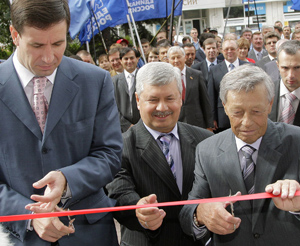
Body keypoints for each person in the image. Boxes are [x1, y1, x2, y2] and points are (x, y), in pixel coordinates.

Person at [2, 0, 123, 245]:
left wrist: (68, 180)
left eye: (58, 43)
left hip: (89, 233)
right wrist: (28, 216)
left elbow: (109, 154)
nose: (49, 57)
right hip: (18, 236)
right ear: (15, 35)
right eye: (36, 45)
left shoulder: (95, 81)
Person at [180, 64, 300, 245]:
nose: (247, 122)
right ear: (225, 107)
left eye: (256, 111)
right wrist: (201, 214)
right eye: (237, 112)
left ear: (270, 104)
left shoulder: (296, 141)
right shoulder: (207, 150)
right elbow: (189, 210)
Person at [107, 62, 213, 246]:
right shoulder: (121, 146)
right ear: (138, 100)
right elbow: (118, 192)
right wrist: (139, 209)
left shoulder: (205, 140)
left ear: (181, 98)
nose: (162, 108)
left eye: (170, 98)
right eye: (153, 100)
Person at [167, 46, 213, 129]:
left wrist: (209, 125)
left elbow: (205, 101)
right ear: (168, 60)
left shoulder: (196, 75)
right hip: (176, 123)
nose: (176, 60)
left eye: (178, 57)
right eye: (173, 58)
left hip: (197, 123)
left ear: (184, 58)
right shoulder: (166, 79)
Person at [208, 39, 248, 132]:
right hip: (222, 117)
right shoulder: (214, 70)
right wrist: (212, 118)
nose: (229, 51)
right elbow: (211, 95)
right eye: (226, 49)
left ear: (237, 49)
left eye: (232, 49)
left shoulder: (248, 67)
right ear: (221, 51)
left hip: (245, 113)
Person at [269, 40, 300, 126]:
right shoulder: (265, 92)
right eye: (285, 68)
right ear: (278, 66)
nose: (291, 75)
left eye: (297, 67)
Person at [112, 47, 140, 132]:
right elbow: (112, 106)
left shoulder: (145, 77)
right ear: (121, 60)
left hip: (143, 126)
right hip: (122, 129)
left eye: (132, 58)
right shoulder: (114, 81)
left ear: (137, 59)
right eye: (126, 58)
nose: (129, 61)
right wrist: (126, 125)